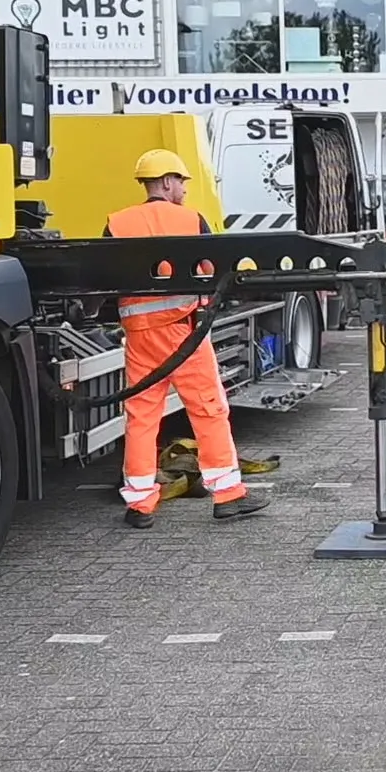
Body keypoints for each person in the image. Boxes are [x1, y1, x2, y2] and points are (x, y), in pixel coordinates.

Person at [103, 149, 270, 529]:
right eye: (180, 182)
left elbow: (107, 278)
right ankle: (228, 494)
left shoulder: (118, 222)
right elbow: (214, 273)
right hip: (184, 333)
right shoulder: (190, 219)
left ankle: (141, 503)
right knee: (208, 409)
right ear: (166, 181)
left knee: (142, 416)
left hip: (140, 336)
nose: (183, 190)